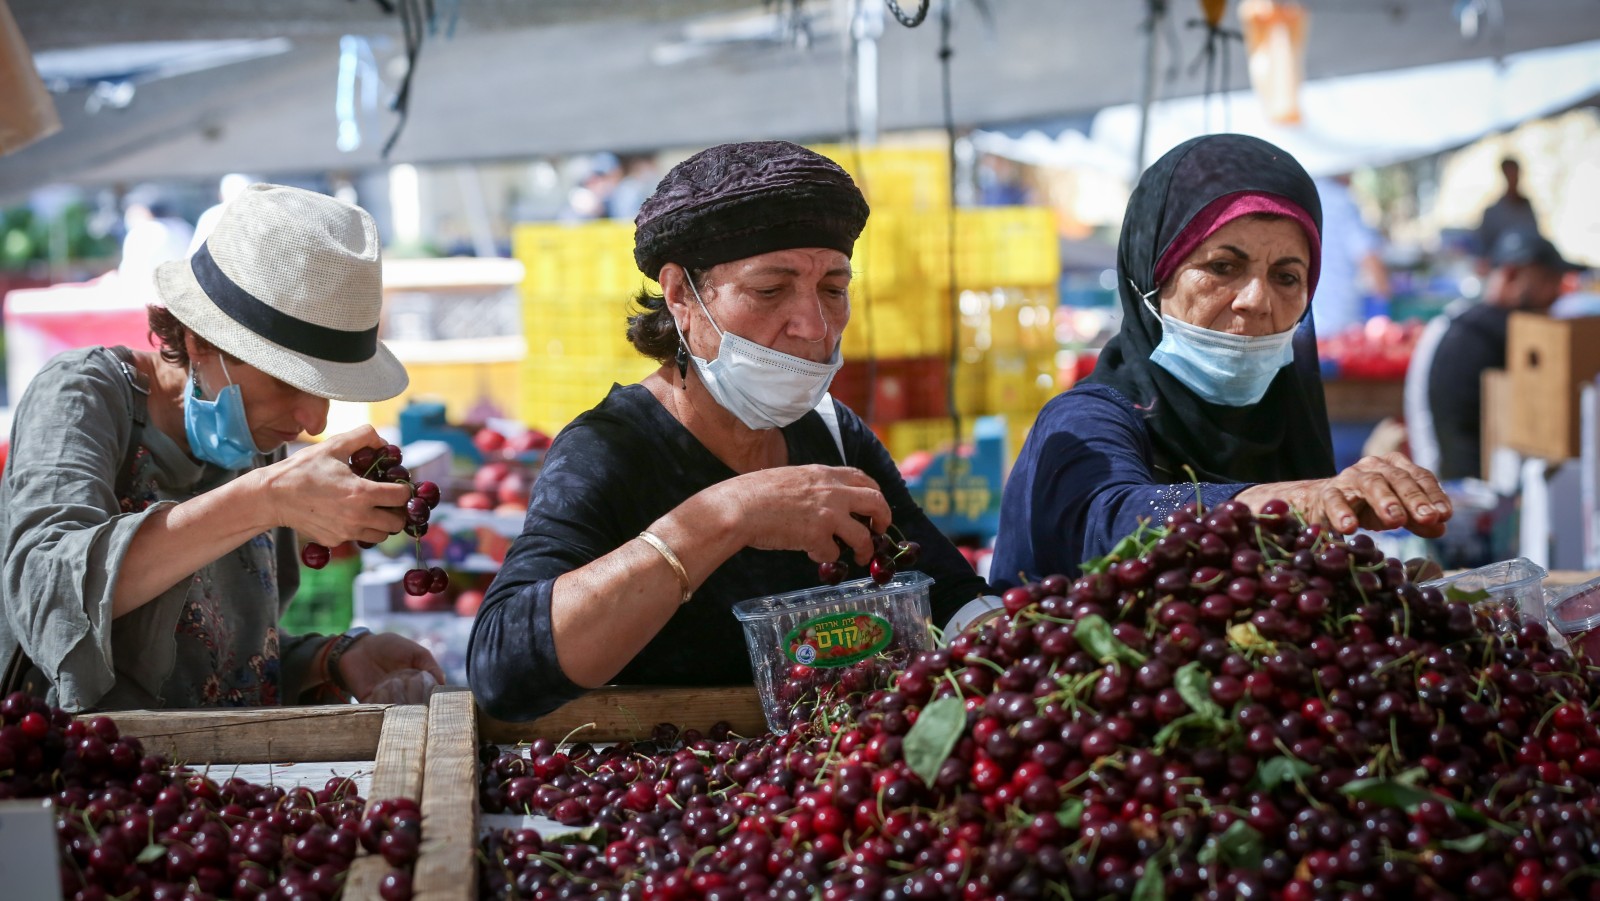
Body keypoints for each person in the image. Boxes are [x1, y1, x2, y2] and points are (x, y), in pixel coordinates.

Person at [469, 141, 990, 721]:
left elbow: (944, 592)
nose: (813, 324)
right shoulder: (610, 450)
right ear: (681, 295)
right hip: (674, 793)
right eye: (770, 290)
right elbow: (504, 670)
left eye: (833, 290)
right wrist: (728, 515)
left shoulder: (832, 435)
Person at [0, 184, 445, 711]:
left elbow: (217, 658)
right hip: (87, 780)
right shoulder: (81, 392)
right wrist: (265, 500)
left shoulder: (254, 442)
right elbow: (44, 595)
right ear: (200, 341)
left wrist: (331, 656)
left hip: (222, 779)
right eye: (287, 381)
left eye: (324, 389)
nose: (314, 419)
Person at [990, 134, 1452, 586]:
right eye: (1222, 267)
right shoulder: (1086, 419)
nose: (1256, 300)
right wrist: (1292, 504)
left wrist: (1359, 593)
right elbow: (1109, 519)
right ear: (1151, 272)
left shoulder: (1285, 422)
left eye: (1286, 277)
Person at [1405, 231, 1583, 481]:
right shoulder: (1491, 331)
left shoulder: (1460, 321)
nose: (1557, 292)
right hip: (1463, 489)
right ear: (1511, 275)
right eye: (1548, 280)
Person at [1310, 174, 1390, 339]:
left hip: (1309, 319)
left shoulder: (1308, 195)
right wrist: (1383, 304)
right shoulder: (1342, 202)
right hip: (1340, 320)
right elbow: (1368, 255)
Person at [1474, 158, 1540, 269]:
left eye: (1515, 173)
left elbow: (1535, 238)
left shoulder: (1527, 207)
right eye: (1509, 174)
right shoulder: (1492, 213)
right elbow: (1483, 249)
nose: (1513, 178)